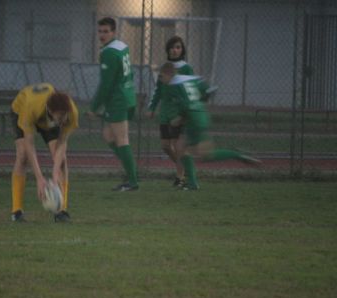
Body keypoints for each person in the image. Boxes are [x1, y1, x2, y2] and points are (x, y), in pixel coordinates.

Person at [158, 63, 260, 190]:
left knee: (200, 154)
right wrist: (198, 103)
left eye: (161, 76)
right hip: (201, 114)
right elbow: (208, 90)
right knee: (182, 147)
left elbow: (185, 105)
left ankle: (235, 155)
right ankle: (193, 183)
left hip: (193, 119)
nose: (160, 79)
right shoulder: (189, 79)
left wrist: (178, 119)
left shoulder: (174, 85)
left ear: (168, 74)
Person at [10, 83, 79, 222]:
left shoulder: (71, 113)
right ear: (50, 111)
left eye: (64, 116)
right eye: (60, 117)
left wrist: (54, 173)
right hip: (21, 110)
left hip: (46, 118)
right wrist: (39, 178)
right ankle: (16, 211)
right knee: (23, 155)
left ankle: (61, 211)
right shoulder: (31, 108)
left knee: (61, 161)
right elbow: (30, 144)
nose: (63, 120)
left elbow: (62, 143)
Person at [86, 17, 139, 191]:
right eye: (100, 31)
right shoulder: (122, 46)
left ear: (113, 32)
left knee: (122, 140)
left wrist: (94, 108)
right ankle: (130, 171)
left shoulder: (108, 53)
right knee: (108, 136)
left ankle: (132, 181)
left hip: (118, 99)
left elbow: (106, 85)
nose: (102, 35)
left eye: (106, 31)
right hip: (126, 96)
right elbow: (127, 75)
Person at [146, 36, 194, 188]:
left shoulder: (186, 68)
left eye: (178, 47)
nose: (175, 50)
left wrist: (185, 113)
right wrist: (152, 107)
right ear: (168, 50)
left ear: (182, 50)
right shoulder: (165, 67)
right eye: (172, 47)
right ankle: (182, 169)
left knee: (177, 145)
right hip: (165, 112)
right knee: (165, 146)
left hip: (178, 113)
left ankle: (181, 177)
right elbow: (158, 90)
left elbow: (191, 91)